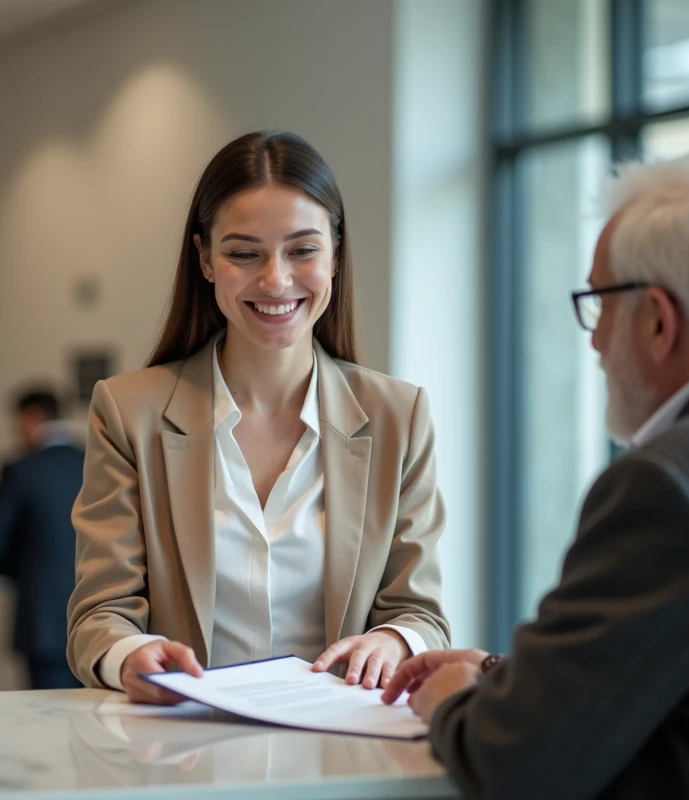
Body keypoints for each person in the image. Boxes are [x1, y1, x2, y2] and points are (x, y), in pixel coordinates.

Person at [383, 150, 689, 799]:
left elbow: (520, 765)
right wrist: (501, 674)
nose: (594, 343)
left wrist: (455, 702)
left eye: (598, 303)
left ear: (658, 320)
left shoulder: (675, 483)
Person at [67, 131, 450, 704]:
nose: (276, 280)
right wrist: (129, 656)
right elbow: (100, 614)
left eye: (303, 250)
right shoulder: (128, 413)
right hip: (182, 757)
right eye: (244, 253)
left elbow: (420, 611)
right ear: (204, 258)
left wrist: (395, 640)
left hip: (339, 757)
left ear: (336, 254)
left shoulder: (399, 416)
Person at [0, 388, 85, 690]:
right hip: (101, 622)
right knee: (99, 729)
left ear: (32, 417)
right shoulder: (98, 462)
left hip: (43, 625)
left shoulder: (20, 470)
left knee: (47, 730)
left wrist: (26, 569)